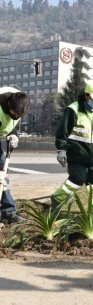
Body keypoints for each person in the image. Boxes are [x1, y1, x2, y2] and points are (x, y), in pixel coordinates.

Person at [51, 82, 93, 210]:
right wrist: (61, 150)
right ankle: (57, 200)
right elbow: (62, 132)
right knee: (77, 180)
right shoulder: (73, 110)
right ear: (86, 96)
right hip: (76, 155)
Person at [0, 87, 30, 223]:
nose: (16, 117)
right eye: (14, 113)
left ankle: (8, 212)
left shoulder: (18, 104)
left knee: (3, 177)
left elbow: (10, 126)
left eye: (19, 115)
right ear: (8, 105)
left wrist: (13, 135)